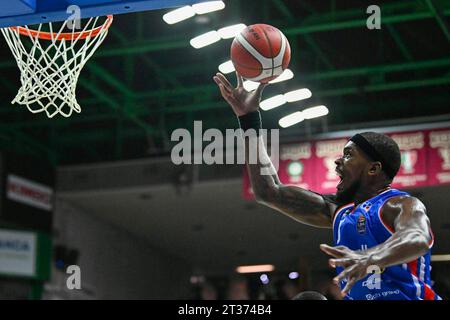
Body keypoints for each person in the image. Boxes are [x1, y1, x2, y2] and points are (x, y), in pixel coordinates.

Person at [213, 72, 442, 300]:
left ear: (373, 169)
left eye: (349, 155)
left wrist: (370, 257)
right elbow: (268, 191)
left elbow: (417, 237)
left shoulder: (400, 205)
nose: (337, 160)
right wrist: (249, 119)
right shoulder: (339, 211)